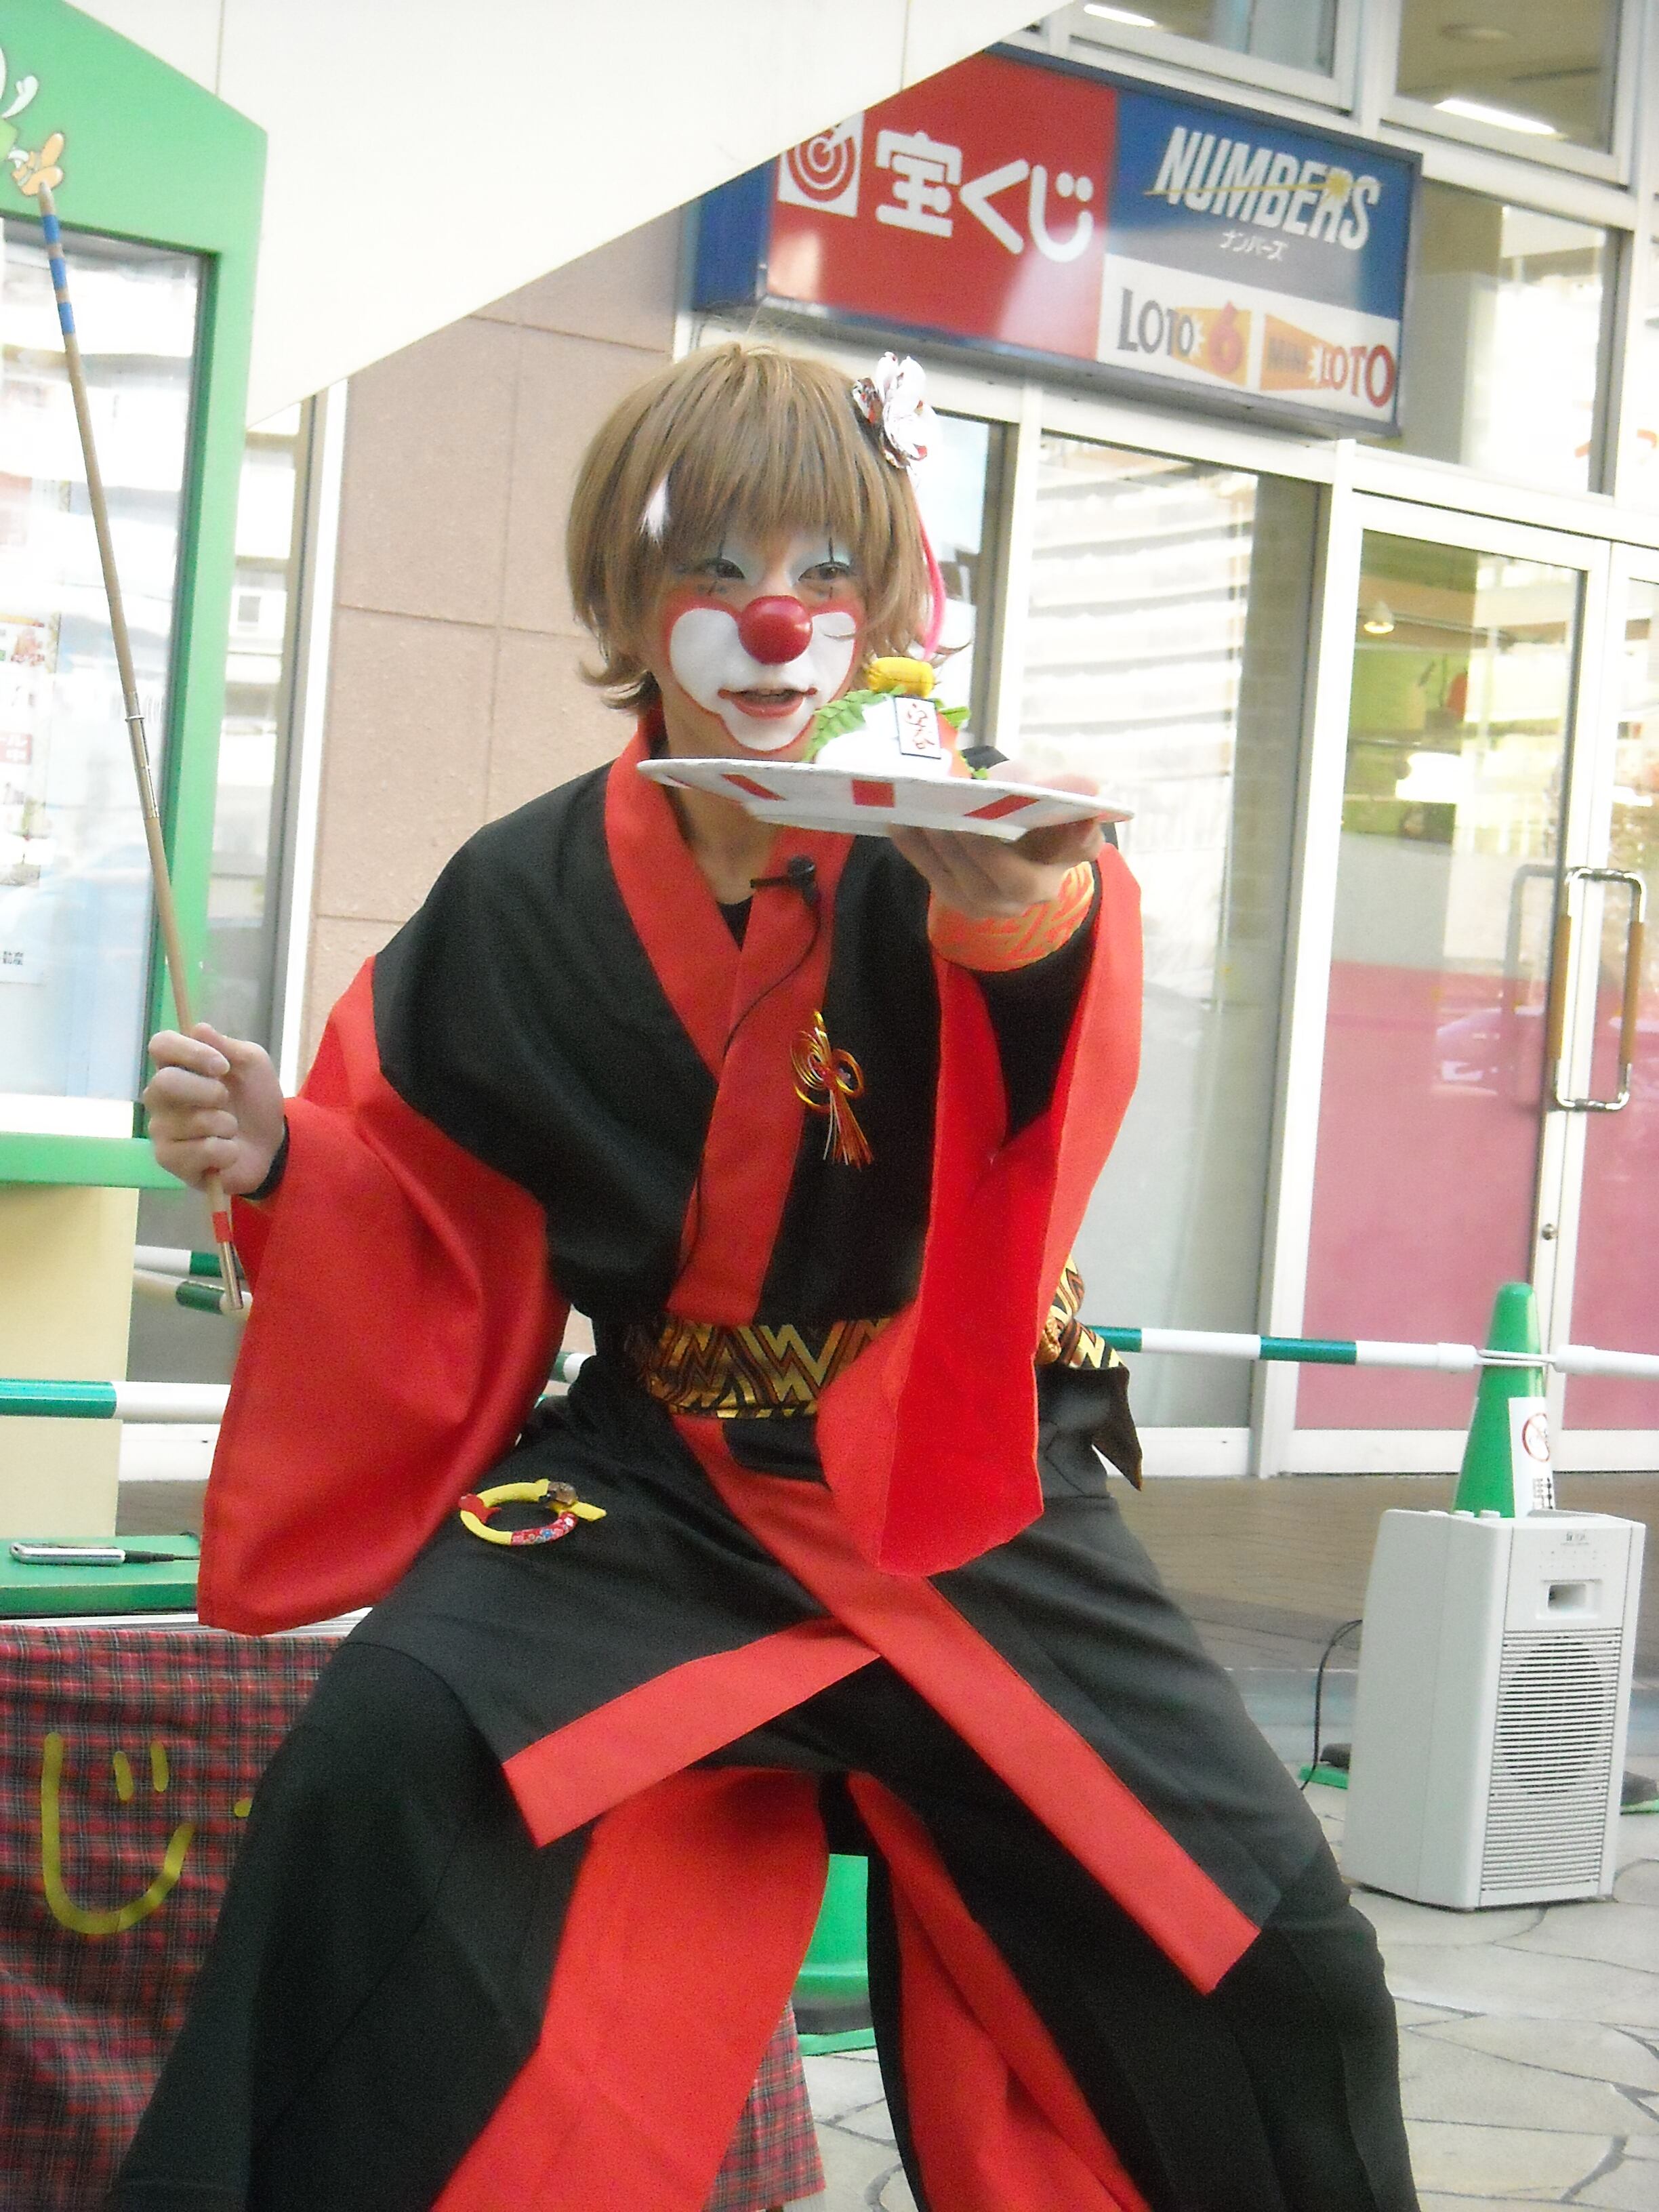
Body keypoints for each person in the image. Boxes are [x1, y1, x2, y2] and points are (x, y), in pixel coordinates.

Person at [115, 342, 1417, 2212]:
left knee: (1271, 1948)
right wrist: (284, 1157)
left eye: (825, 572)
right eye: (718, 570)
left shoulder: (959, 825)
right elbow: (426, 1193)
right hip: (660, 1482)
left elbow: (1050, 1055)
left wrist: (1013, 915)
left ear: (888, 609)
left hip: (958, 1481)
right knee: (385, 1753)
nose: (777, 620)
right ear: (628, 606)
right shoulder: (524, 890)